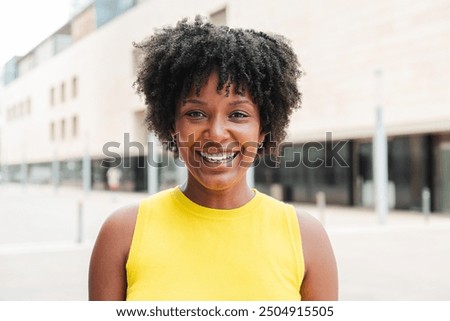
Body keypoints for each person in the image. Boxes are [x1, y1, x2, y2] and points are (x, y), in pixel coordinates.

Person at [89, 16, 338, 301]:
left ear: (262, 130)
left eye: (238, 114)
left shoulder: (307, 239)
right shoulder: (122, 234)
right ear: (172, 127)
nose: (217, 134)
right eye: (195, 113)